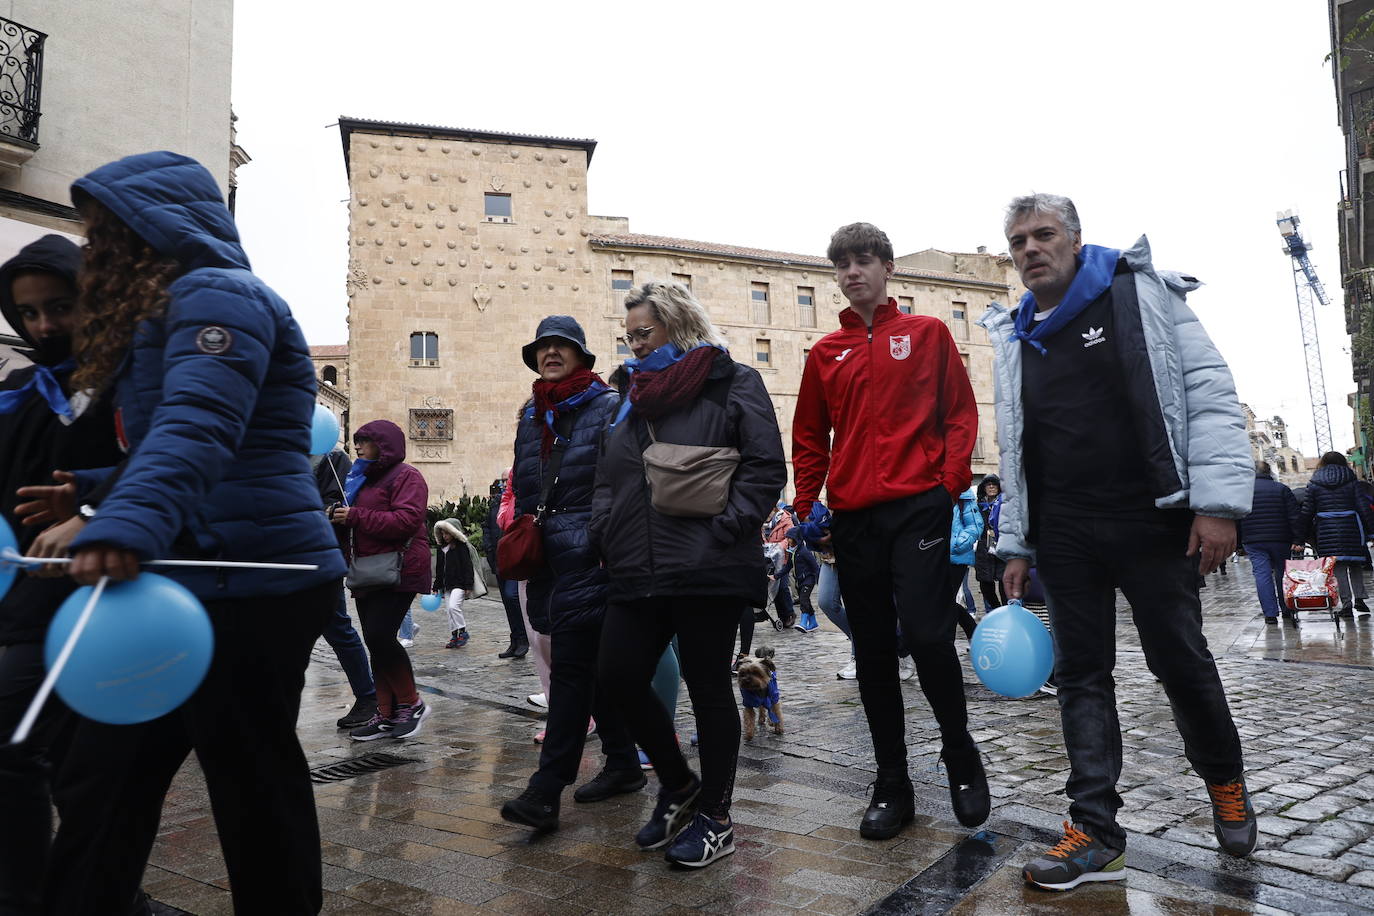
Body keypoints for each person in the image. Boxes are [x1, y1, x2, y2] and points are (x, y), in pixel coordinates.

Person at [36, 151, 347, 915]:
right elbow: (218, 450)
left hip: (255, 580)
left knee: (251, 784)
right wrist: (97, 491)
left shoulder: (218, 295)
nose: (90, 249)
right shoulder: (176, 305)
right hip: (194, 572)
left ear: (150, 225)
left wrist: (125, 524)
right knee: (106, 777)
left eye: (101, 230)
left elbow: (199, 427)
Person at [981, 193, 1256, 891]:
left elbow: (1209, 391)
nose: (1029, 249)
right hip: (1066, 530)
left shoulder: (1142, 294)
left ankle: (1224, 781)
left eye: (1043, 235)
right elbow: (1015, 446)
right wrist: (1017, 542)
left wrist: (1219, 504)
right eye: (1017, 241)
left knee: (1180, 661)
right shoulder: (1014, 333)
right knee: (1080, 675)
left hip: (1151, 516)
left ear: (1075, 240)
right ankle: (1095, 833)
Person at [791, 223, 987, 841]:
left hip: (918, 510)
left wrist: (948, 483)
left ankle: (959, 755)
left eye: (863, 261)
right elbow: (807, 436)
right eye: (842, 265)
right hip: (854, 519)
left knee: (930, 637)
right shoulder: (826, 354)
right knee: (872, 650)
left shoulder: (926, 335)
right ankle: (891, 781)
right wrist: (805, 503)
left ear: (887, 267)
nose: (853, 273)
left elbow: (960, 412)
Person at [592, 280, 786, 868]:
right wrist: (604, 529)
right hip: (635, 565)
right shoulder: (628, 396)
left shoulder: (733, 381)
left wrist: (727, 528)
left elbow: (765, 465)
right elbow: (610, 477)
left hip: (709, 565)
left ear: (677, 324)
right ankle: (679, 785)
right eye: (628, 337)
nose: (634, 347)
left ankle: (717, 818)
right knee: (616, 680)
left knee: (707, 689)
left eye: (644, 333)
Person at [0, 235, 123, 914]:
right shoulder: (18, 389)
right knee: (31, 756)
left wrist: (89, 507)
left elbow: (157, 470)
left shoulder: (127, 380)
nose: (43, 325)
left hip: (103, 594)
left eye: (59, 306)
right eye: (29, 313)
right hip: (24, 596)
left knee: (77, 767)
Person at [499, 316, 642, 832]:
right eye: (543, 347)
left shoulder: (607, 408)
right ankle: (625, 763)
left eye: (562, 346)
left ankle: (545, 791)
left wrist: (605, 542)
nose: (551, 353)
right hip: (546, 559)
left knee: (573, 669)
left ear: (582, 356)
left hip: (591, 554)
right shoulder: (530, 417)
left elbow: (623, 481)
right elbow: (528, 488)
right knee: (595, 669)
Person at [332, 419, 432, 741]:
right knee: (375, 643)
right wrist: (337, 517)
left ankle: (411, 704)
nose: (357, 446)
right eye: (356, 441)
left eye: (364, 441)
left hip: (400, 568)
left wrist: (356, 517)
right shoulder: (361, 480)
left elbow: (406, 520)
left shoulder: (407, 476)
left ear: (383, 444)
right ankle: (386, 713)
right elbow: (357, 524)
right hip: (366, 570)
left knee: (379, 636)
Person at [313, 446, 379, 727]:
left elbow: (339, 502)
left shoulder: (329, 455)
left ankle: (368, 696)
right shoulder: (267, 449)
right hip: (272, 558)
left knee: (336, 627)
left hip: (316, 556)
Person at [1296, 451, 1374, 618]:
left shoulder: (1314, 484)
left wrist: (1299, 538)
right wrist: (1372, 531)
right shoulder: (1352, 481)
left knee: (1338, 567)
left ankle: (1346, 604)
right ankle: (1360, 599)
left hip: (1326, 528)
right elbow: (1363, 507)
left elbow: (1306, 512)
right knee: (1355, 564)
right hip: (1351, 526)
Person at [1237, 461, 1300, 626]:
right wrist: (1298, 539)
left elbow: (1236, 518)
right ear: (1269, 472)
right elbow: (1294, 516)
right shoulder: (1282, 489)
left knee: (1262, 574)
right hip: (1281, 539)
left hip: (1253, 540)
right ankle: (1287, 609)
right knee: (1282, 573)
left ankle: (1270, 614)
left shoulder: (1243, 492)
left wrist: (1238, 543)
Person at [483, 473, 529, 658]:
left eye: (505, 480)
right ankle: (515, 639)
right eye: (501, 480)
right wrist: (489, 549)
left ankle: (524, 638)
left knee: (512, 596)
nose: (503, 484)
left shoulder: (520, 501)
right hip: (498, 558)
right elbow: (487, 526)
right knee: (507, 601)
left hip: (514, 557)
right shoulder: (497, 504)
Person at [432, 518, 475, 648]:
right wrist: (436, 585)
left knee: (453, 606)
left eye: (447, 533)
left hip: (459, 584)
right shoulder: (441, 549)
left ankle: (463, 631)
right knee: (448, 611)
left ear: (454, 533)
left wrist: (468, 585)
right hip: (447, 585)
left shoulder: (461, 548)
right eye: (443, 533)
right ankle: (454, 635)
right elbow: (439, 569)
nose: (445, 536)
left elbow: (468, 566)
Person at [949, 487, 983, 640]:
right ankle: (973, 633)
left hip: (956, 557)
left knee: (944, 601)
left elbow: (976, 526)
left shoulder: (964, 496)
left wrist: (957, 544)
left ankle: (971, 633)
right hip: (932, 555)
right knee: (939, 601)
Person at [974, 475, 1007, 612]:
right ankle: (996, 610)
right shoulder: (978, 507)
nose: (992, 486)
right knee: (985, 584)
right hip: (984, 549)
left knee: (1004, 581)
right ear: (984, 488)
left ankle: (1006, 611)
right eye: (988, 484)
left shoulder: (1005, 504)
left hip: (1002, 546)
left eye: (994, 484)